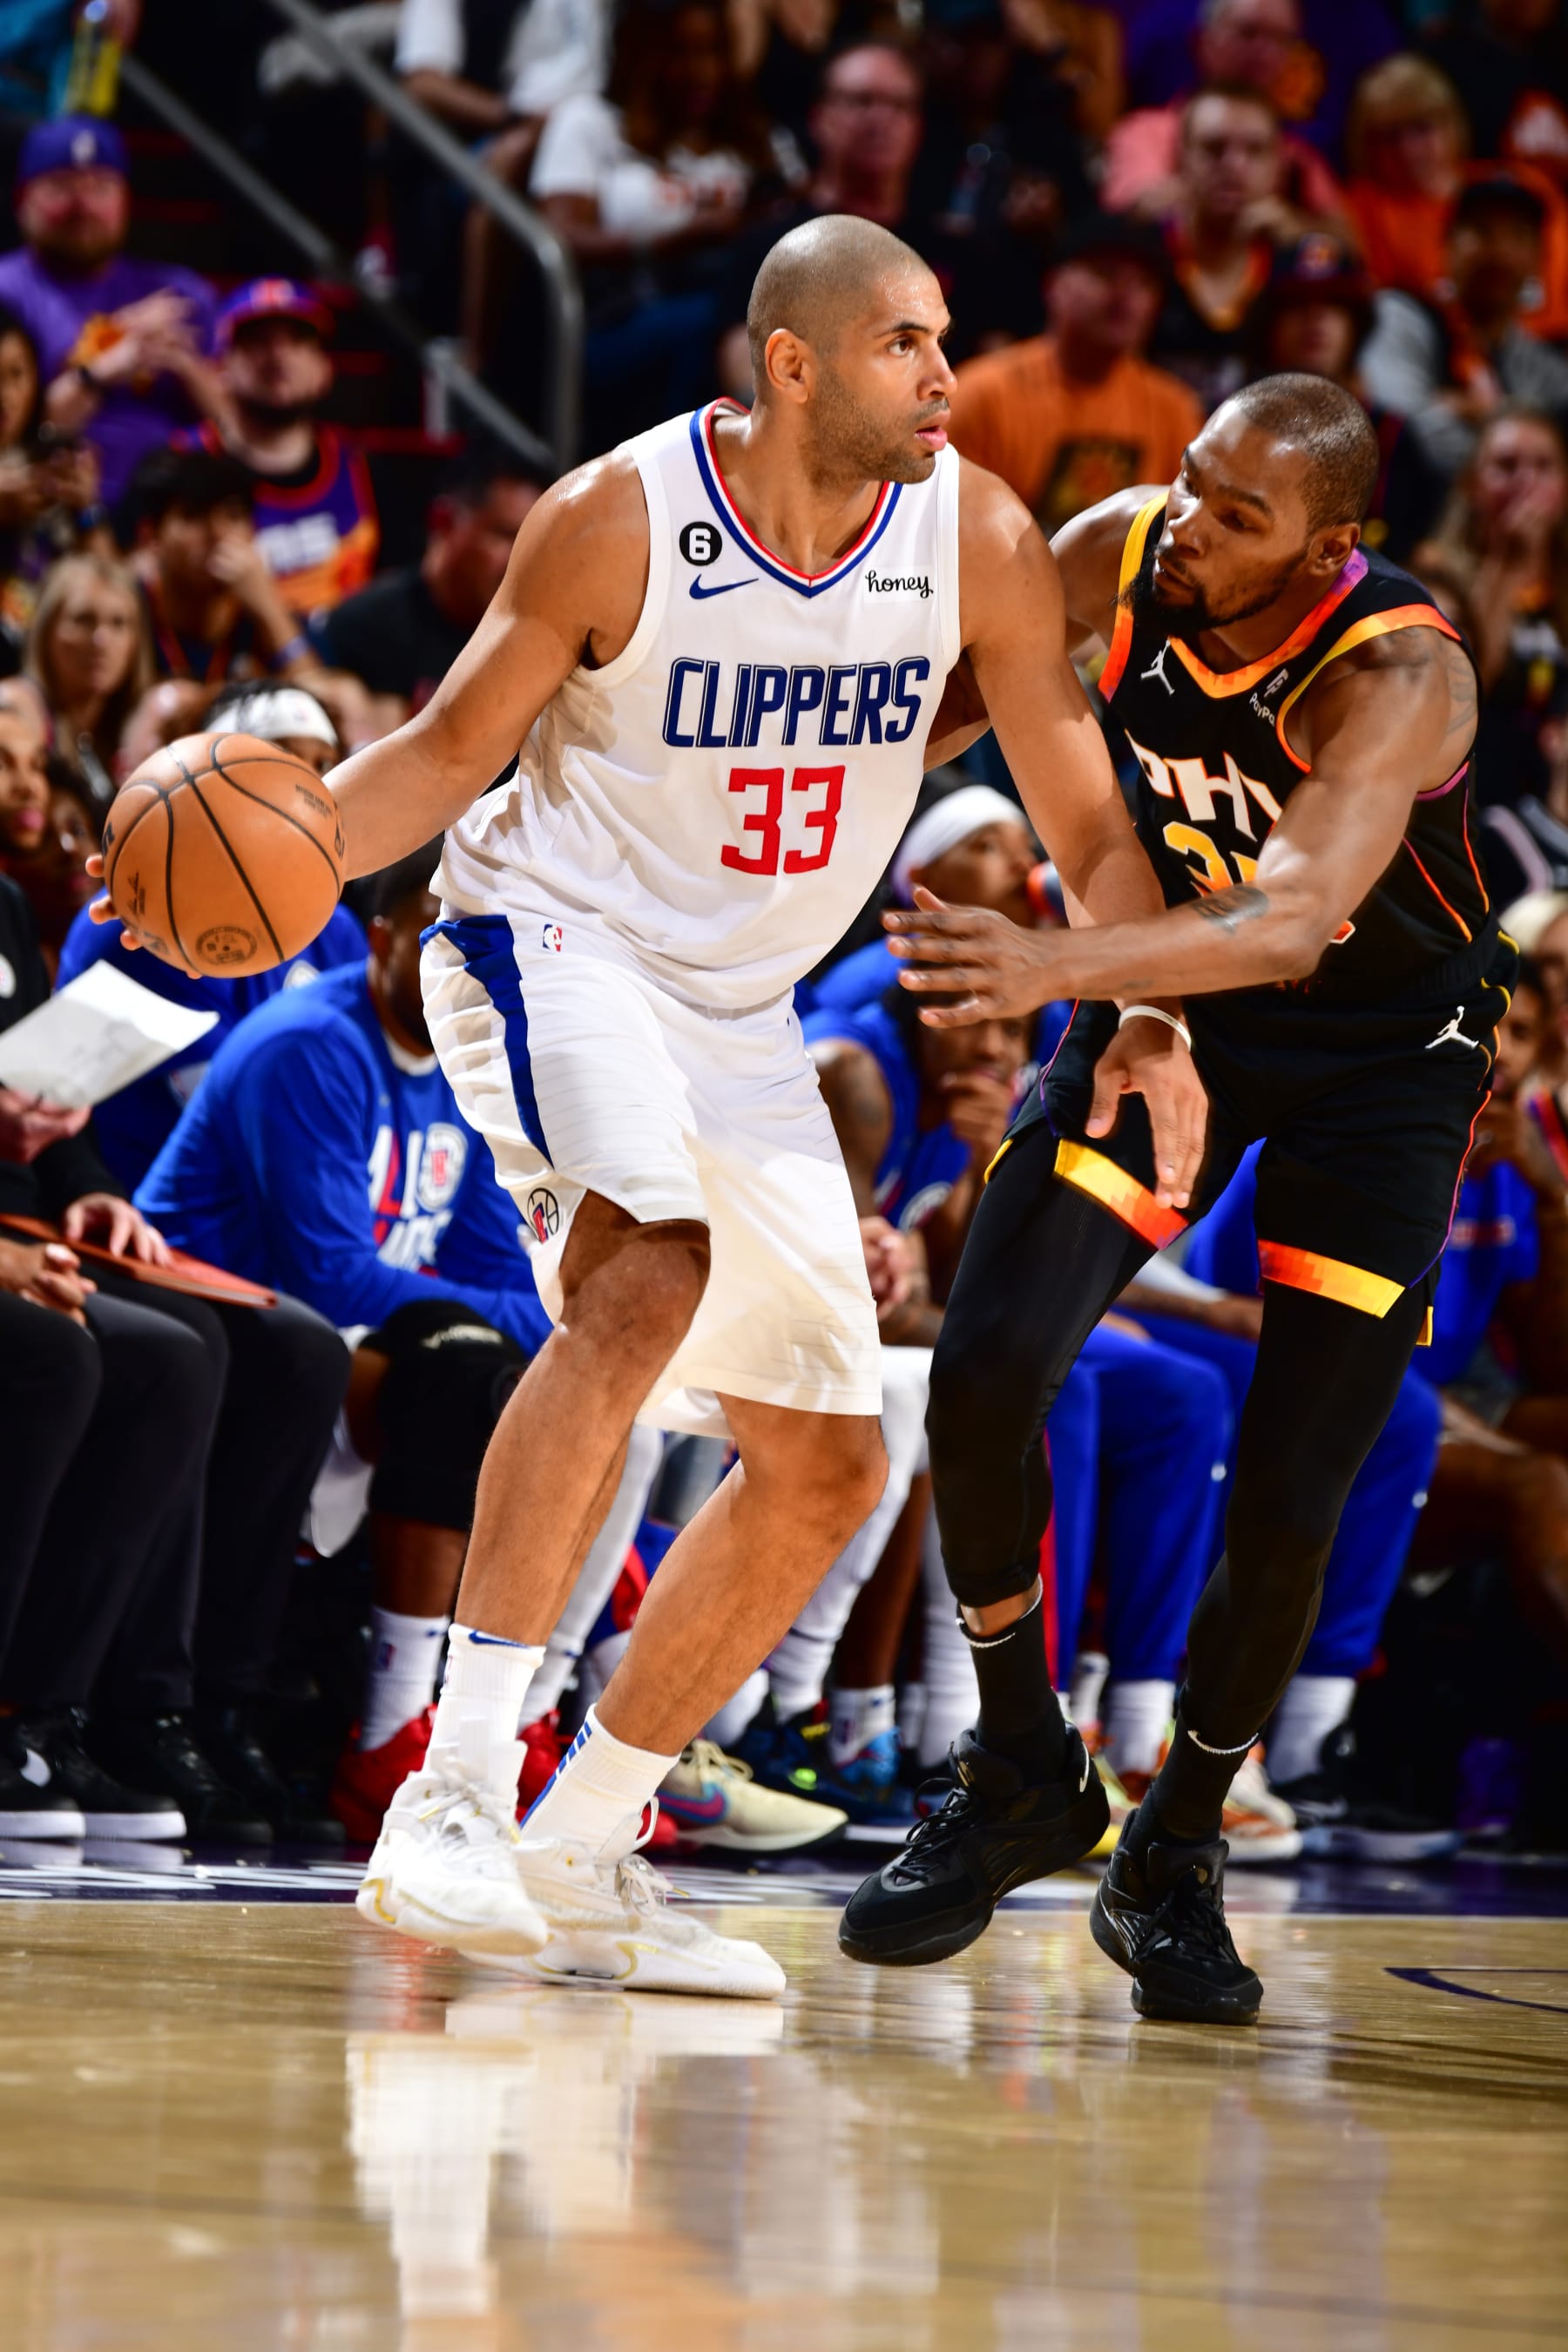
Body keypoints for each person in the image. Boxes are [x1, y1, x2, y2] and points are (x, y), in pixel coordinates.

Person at [106, 213, 1208, 1996]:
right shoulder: (617, 516)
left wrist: (1147, 1007)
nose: (946, 374)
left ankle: (589, 1838)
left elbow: (1086, 817)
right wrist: (260, 857)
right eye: (904, 342)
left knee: (835, 1457)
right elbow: (447, 759)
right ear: (791, 364)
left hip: (737, 1002)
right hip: (550, 938)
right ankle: (451, 1794)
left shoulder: (977, 536)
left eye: (945, 339)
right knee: (646, 1277)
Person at [840, 371, 1504, 2025]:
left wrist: (1052, 962)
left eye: (1242, 515)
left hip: (1377, 1064)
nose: (1193, 525)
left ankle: (1178, 1843)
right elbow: (942, 716)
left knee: (1294, 1484)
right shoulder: (1118, 553)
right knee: (984, 1373)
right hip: (1165, 1006)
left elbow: (1290, 922)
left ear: (1331, 545)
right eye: (1193, 482)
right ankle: (1016, 1769)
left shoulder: (1403, 673)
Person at [55, 678, 365, 1187]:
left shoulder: (340, 930)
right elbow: (249, 1122)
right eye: (283, 760)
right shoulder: (142, 923)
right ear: (202, 777)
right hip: (162, 1230)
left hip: (297, 1207)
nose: (310, 784)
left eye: (324, 763)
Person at [531, 0, 772, 449]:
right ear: (641, 54)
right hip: (618, 318)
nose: (702, 71)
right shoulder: (592, 124)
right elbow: (558, 233)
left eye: (714, 52)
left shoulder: (753, 139)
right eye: (683, 52)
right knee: (713, 328)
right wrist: (668, 243)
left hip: (737, 307)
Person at [0, 115, 220, 508]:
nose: (83, 206)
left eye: (100, 188)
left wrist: (189, 367)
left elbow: (240, 431)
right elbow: (20, 427)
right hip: (43, 508)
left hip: (175, 516)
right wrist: (114, 342)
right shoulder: (7, 291)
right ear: (21, 200)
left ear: (125, 200)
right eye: (61, 187)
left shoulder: (181, 294)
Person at [945, 213, 1204, 539]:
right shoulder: (981, 393)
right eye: (1105, 274)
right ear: (1054, 286)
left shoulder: (1175, 408)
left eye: (1143, 283)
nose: (1125, 294)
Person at [712, 44, 943, 403]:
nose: (880, 119)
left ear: (919, 127)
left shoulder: (951, 247)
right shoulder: (770, 247)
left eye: (899, 105)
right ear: (819, 118)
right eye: (862, 101)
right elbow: (746, 380)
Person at [174, 278, 379, 621]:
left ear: (324, 370)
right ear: (221, 368)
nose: (278, 354)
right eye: (257, 341)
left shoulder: (365, 468)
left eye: (297, 340)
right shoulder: (180, 462)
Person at [1244, 231, 1444, 564]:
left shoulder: (1393, 437)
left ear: (1357, 327)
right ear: (1269, 325)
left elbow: (1413, 559)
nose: (1315, 319)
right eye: (1297, 303)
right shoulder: (1232, 426)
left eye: (1334, 305)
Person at [1358, 174, 1568, 490]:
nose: (1500, 252)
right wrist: (1516, 454)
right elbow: (1398, 433)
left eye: (1518, 236)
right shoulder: (1402, 316)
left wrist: (1480, 414)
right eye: (1482, 231)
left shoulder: (1548, 365)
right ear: (1447, 243)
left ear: (1540, 259)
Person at [307, 453, 546, 720]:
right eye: (505, 535)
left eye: (535, 540)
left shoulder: (544, 634)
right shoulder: (365, 625)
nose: (521, 558)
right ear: (443, 520)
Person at [1413, 404, 1568, 815]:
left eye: (1543, 466)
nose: (1526, 482)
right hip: (1466, 805)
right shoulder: (1434, 577)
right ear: (1471, 484)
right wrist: (1509, 566)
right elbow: (1458, 691)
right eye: (1506, 466)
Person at [1104, 0, 1348, 228]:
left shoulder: (1299, 155)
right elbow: (1132, 217)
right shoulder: (1145, 132)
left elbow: (1346, 248)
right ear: (1203, 40)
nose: (1264, 52)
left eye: (1281, 39)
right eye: (1248, 33)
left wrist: (1293, 231)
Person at [1142, 84, 1301, 415]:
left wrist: (1296, 247)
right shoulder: (1139, 255)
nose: (1234, 165)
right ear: (1181, 157)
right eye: (1214, 148)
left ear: (1278, 164)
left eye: (1255, 151)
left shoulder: (1299, 271)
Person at [128, 443, 313, 686]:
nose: (218, 533)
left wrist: (270, 611)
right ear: (151, 538)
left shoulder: (265, 615)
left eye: (233, 516)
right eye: (194, 515)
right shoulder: (128, 611)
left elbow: (321, 703)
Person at [0, 296, 106, 650]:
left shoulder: (57, 457)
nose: (5, 395)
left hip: (50, 653)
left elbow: (110, 589)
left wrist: (86, 511)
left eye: (16, 374)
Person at [24, 548, 149, 803]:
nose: (101, 641)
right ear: (47, 631)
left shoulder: (127, 728)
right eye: (83, 620)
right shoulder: (18, 707)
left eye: (118, 623)